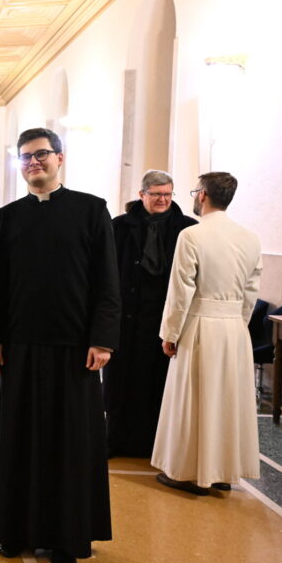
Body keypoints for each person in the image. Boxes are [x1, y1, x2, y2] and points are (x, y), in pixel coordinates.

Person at [0, 128, 120, 563]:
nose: (33, 162)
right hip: (20, 346)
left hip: (74, 348)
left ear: (60, 158)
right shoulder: (8, 217)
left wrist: (102, 338)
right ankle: (15, 529)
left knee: (69, 444)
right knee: (18, 439)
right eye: (25, 157)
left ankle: (66, 536)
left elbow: (107, 280)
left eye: (41, 154)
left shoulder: (91, 210)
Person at [152, 172, 262, 495]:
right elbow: (251, 292)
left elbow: (181, 291)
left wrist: (170, 333)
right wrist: (238, 325)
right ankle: (221, 472)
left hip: (200, 324)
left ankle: (187, 473)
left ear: (202, 195)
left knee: (192, 400)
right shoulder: (250, 238)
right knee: (226, 400)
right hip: (234, 328)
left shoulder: (192, 235)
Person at [104, 170, 196, 457]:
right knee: (121, 383)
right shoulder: (119, 226)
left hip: (164, 319)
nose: (163, 200)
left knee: (159, 382)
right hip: (126, 318)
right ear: (142, 194)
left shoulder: (187, 228)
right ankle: (115, 440)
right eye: (156, 194)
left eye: (167, 194)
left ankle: (156, 446)